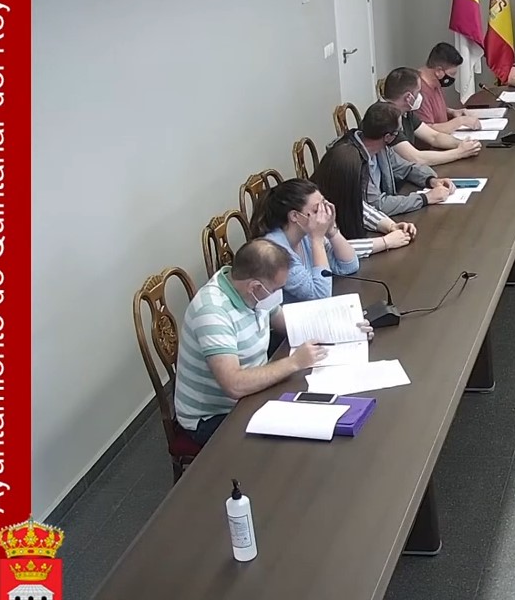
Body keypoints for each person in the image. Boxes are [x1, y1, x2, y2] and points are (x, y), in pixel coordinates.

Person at [173, 240, 372, 445]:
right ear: (254, 287)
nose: (279, 294)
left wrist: (347, 328)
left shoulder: (253, 292)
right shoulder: (212, 313)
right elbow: (234, 385)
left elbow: (289, 325)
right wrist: (295, 362)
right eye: (277, 288)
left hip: (253, 392)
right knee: (294, 441)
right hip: (214, 416)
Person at [322, 101, 455, 216]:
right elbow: (378, 205)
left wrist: (431, 180)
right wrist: (425, 198)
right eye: (398, 132)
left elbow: (407, 168)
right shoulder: (351, 160)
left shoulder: (381, 147)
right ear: (388, 137)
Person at [253, 179, 364, 302]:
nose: (324, 215)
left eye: (324, 206)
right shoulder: (275, 251)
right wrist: (317, 240)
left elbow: (349, 266)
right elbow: (321, 295)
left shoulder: (305, 234)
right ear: (294, 216)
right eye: (317, 210)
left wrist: (331, 231)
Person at [313, 143, 418, 248]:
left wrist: (391, 226)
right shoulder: (314, 209)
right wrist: (385, 242)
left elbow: (362, 210)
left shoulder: (336, 192)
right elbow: (332, 248)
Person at [379, 67, 480, 166]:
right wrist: (459, 153)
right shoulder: (385, 118)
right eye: (418, 92)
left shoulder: (406, 112)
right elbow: (416, 158)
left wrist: (465, 144)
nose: (420, 96)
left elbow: (434, 137)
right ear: (408, 97)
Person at [417, 42, 481, 133]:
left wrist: (452, 112)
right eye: (452, 73)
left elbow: (434, 113)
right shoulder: (418, 90)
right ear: (438, 71)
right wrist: (460, 121)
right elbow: (426, 131)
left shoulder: (435, 82)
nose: (454, 77)